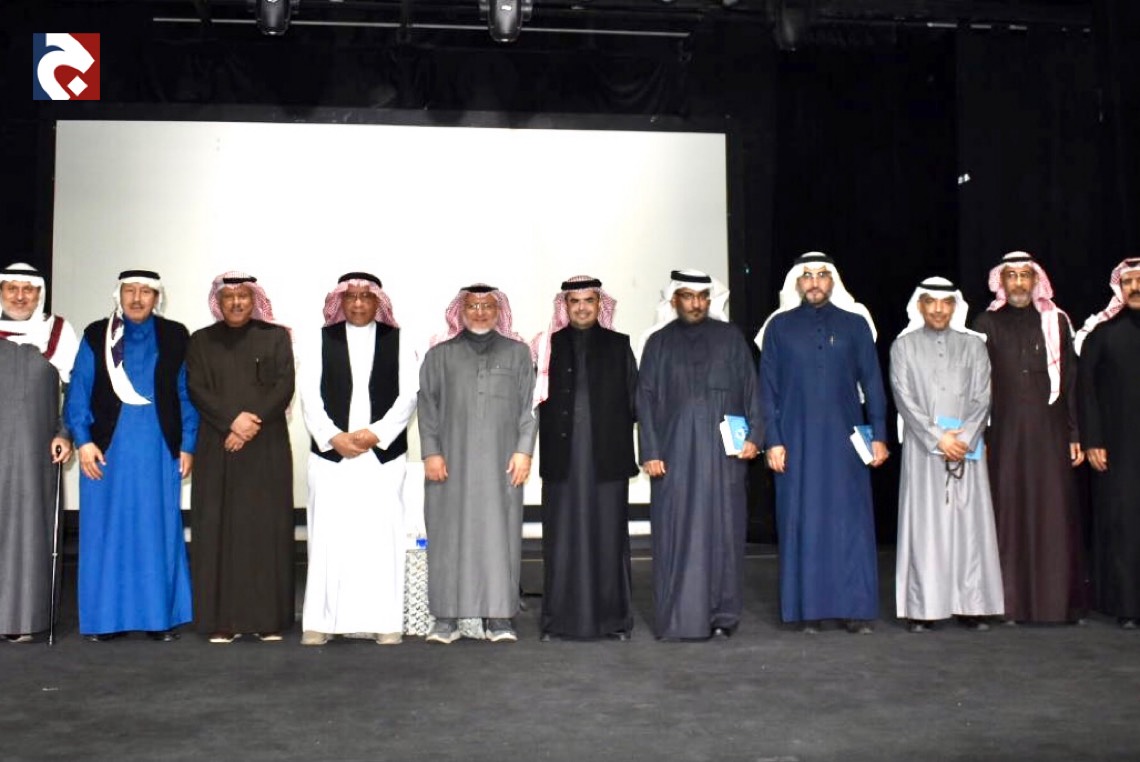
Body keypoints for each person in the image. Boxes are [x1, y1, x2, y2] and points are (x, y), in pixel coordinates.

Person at [64, 270, 199, 642]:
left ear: (157, 298)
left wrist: (188, 444)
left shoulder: (175, 335)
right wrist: (83, 441)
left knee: (157, 531)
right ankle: (105, 621)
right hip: (105, 451)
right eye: (130, 291)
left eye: (145, 292)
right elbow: (79, 390)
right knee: (106, 533)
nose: (137, 298)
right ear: (118, 295)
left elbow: (186, 393)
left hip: (159, 449)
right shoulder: (97, 334)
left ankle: (159, 619)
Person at [757, 252, 888, 634]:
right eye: (807, 276)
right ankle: (807, 611)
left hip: (847, 443)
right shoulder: (779, 327)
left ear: (833, 281)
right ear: (797, 283)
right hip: (795, 442)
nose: (814, 282)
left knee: (851, 523)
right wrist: (773, 441)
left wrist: (880, 435)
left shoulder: (855, 324)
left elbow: (873, 383)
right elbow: (767, 390)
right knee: (803, 522)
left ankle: (854, 610)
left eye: (822, 275)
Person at [637, 269, 762, 640]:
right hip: (674, 456)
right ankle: (678, 617)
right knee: (676, 532)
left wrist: (755, 437)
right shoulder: (658, 342)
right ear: (674, 299)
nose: (696, 304)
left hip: (725, 456)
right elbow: (645, 399)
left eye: (702, 297)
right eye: (688, 296)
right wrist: (651, 450)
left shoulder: (730, 338)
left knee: (725, 531)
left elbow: (752, 388)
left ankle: (722, 616)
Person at [298, 272, 419, 646]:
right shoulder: (320, 340)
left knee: (381, 537)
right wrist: (334, 437)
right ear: (340, 301)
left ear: (378, 302)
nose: (358, 303)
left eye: (366, 297)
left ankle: (384, 622)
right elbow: (309, 396)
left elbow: (409, 395)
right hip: (331, 457)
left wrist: (375, 433)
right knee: (328, 536)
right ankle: (320, 622)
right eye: (350, 297)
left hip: (381, 456)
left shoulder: (399, 340)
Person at [417, 284, 536, 644]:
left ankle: (499, 617)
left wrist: (524, 451)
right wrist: (431, 451)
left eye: (487, 306)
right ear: (461, 310)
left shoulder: (518, 353)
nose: (480, 312)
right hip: (450, 464)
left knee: (500, 537)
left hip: (504, 464)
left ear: (499, 311)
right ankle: (446, 617)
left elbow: (530, 407)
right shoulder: (439, 355)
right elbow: (427, 406)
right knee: (447, 536)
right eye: (472, 306)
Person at [972, 251, 1085, 624]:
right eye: (1012, 276)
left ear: (1036, 280)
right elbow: (976, 385)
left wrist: (1074, 432)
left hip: (1050, 434)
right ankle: (1007, 604)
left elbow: (1070, 382)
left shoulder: (1056, 321)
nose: (1019, 282)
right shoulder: (986, 323)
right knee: (1007, 512)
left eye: (1025, 275)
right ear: (1001, 282)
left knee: (1053, 513)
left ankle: (1056, 605)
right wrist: (979, 434)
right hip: (1003, 434)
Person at [888, 277, 1004, 632]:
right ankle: (923, 608)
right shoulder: (903, 347)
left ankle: (972, 606)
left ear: (955, 306)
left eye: (945, 303)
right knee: (925, 526)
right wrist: (939, 438)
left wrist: (964, 437)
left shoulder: (974, 346)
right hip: (924, 450)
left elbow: (982, 397)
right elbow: (904, 399)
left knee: (969, 527)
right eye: (931, 302)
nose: (938, 309)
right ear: (920, 305)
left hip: (967, 449)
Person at [186, 272, 296, 643]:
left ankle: (268, 620)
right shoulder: (201, 340)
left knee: (265, 531)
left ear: (254, 300)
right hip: (217, 446)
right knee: (217, 530)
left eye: (243, 296)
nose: (236, 302)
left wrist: (249, 424)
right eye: (229, 296)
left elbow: (284, 385)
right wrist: (231, 422)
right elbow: (197, 388)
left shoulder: (276, 337)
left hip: (266, 448)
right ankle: (221, 621)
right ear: (218, 301)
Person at [532, 276, 638, 641]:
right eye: (574, 301)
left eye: (588, 301)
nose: (581, 308)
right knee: (561, 541)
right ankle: (558, 622)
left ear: (599, 304)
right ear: (564, 306)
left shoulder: (619, 346)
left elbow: (636, 401)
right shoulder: (548, 346)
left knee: (609, 539)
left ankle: (614, 621)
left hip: (607, 462)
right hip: (562, 462)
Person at [0, 263, 78, 643]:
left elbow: (76, 392)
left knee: (31, 533)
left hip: (36, 455)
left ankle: (24, 621)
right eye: (11, 288)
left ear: (39, 294)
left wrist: (65, 433)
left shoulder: (57, 333)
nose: (20, 296)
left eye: (28, 289)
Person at [1075, 258, 1140, 629]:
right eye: (1128, 282)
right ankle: (1127, 606)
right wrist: (1093, 440)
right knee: (1124, 524)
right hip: (1119, 447)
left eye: (1139, 281)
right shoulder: (1104, 334)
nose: (1135, 288)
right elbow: (1086, 390)